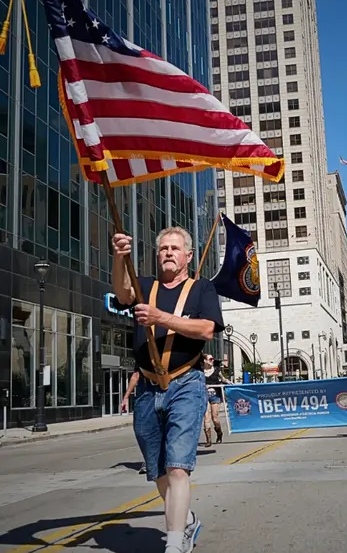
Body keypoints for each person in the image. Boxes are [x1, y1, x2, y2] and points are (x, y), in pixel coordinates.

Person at [112, 227, 224, 553]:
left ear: (188, 255)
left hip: (186, 383)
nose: (168, 253)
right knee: (158, 471)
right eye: (163, 248)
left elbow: (206, 328)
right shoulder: (147, 286)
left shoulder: (202, 289)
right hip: (147, 386)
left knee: (177, 466)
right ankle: (185, 519)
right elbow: (122, 294)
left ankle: (175, 543)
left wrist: (161, 317)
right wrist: (120, 257)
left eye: (175, 248)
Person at [201, 354, 231, 447]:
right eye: (210, 359)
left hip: (215, 396)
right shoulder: (200, 371)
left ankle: (219, 432)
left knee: (215, 418)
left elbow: (223, 379)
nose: (212, 360)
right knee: (206, 417)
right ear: (205, 361)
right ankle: (208, 440)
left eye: (213, 359)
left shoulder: (217, 370)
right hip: (204, 395)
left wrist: (228, 382)